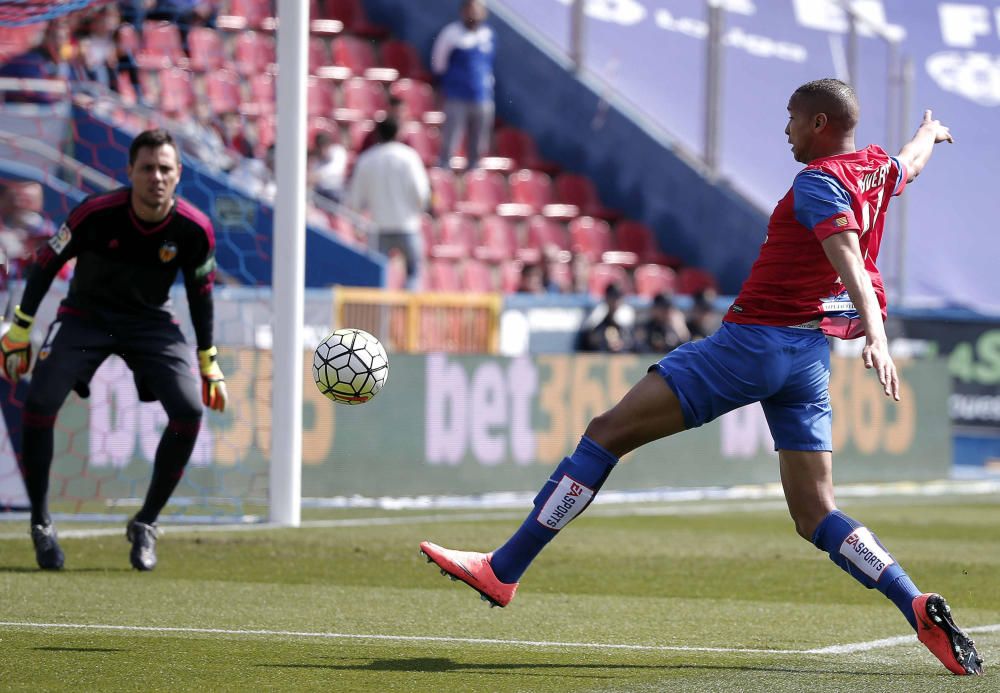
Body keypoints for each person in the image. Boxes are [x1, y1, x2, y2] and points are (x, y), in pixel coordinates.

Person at [419, 80, 982, 676]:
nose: (784, 131)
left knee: (606, 431)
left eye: (791, 119)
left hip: (751, 343)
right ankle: (913, 601)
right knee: (816, 512)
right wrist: (930, 132)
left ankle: (503, 569)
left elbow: (847, 256)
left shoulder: (817, 183)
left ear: (818, 123)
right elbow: (910, 164)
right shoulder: (875, 167)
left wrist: (878, 334)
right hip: (808, 356)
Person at [0, 128, 228, 572]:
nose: (156, 177)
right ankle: (41, 521)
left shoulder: (195, 229)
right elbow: (47, 263)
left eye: (165, 168)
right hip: (86, 317)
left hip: (150, 323)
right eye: (147, 168)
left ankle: (146, 522)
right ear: (129, 172)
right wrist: (21, 329)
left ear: (179, 174)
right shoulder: (95, 213)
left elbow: (202, 294)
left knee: (189, 411)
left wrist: (208, 361)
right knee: (41, 400)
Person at [345, 117, 430, 290]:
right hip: (407, 226)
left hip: (379, 228)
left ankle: (379, 316)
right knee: (413, 274)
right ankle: (408, 315)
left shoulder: (367, 159)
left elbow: (355, 199)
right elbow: (421, 193)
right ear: (398, 134)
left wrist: (357, 225)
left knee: (377, 279)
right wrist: (419, 211)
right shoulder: (409, 157)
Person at [430, 0, 495, 170]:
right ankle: (444, 174)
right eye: (471, 10)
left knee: (479, 144)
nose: (474, 14)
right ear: (463, 11)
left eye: (478, 10)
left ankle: (474, 178)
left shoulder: (488, 35)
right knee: (451, 140)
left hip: (482, 97)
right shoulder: (451, 34)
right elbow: (439, 63)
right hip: (456, 96)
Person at [577, 282, 635, 353]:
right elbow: (589, 341)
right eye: (612, 298)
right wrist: (606, 343)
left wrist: (623, 344)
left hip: (623, 357)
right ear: (607, 298)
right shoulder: (598, 315)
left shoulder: (626, 316)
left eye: (618, 298)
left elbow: (634, 343)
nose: (615, 302)